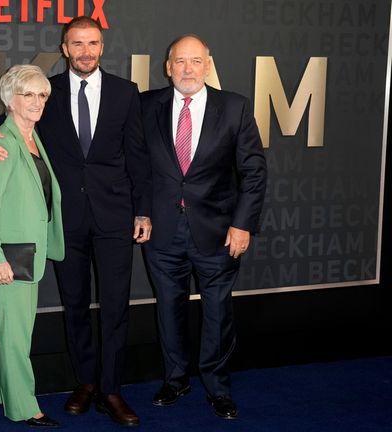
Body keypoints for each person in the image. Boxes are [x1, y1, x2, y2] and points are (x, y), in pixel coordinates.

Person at [0, 16, 151, 427]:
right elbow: (5, 122)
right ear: (65, 48)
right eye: (77, 43)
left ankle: (111, 389)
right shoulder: (45, 92)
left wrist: (142, 210)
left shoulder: (126, 93)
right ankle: (85, 382)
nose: (85, 50)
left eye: (93, 43)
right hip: (63, 223)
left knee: (115, 307)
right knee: (74, 306)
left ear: (102, 47)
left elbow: (138, 157)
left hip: (115, 219)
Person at [140, 35, 267, 419]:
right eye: (180, 61)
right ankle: (176, 379)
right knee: (168, 309)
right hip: (161, 231)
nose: (188, 69)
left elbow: (254, 173)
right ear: (167, 66)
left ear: (208, 64)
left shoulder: (235, 107)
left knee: (217, 311)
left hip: (217, 231)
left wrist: (243, 225)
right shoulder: (145, 105)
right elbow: (133, 166)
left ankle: (217, 386)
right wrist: (140, 211)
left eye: (196, 61)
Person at [0, 64, 65, 428]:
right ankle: (25, 407)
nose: (37, 101)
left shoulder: (33, 137)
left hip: (29, 251)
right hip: (10, 256)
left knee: (12, 328)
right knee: (16, 333)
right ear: (9, 99)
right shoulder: (0, 143)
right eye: (28, 94)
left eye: (42, 94)